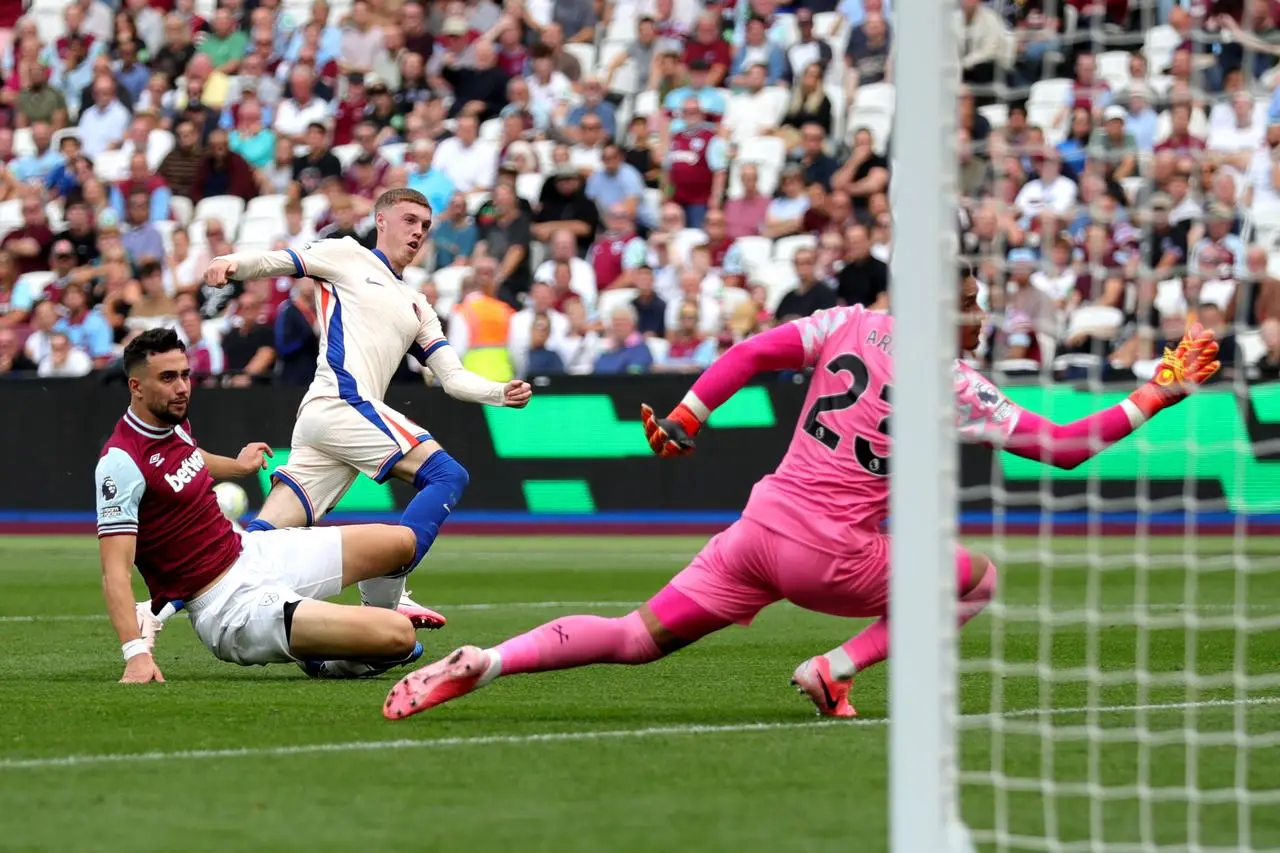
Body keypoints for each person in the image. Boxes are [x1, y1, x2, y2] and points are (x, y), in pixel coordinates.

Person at [382, 269, 1222, 720]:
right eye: (977, 315)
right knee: (978, 579)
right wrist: (1154, 395)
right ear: (960, 318)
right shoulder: (958, 381)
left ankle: (489, 661)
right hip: (832, 557)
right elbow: (1065, 447)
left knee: (636, 634)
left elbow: (748, 354)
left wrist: (686, 412)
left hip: (757, 529)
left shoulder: (847, 323)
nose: (981, 327)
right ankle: (836, 664)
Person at [196, 188, 532, 676]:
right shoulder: (347, 254)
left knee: (262, 539)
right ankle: (386, 606)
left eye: (425, 226)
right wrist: (232, 262)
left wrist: (500, 394)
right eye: (410, 220)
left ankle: (172, 607)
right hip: (342, 402)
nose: (418, 232)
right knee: (447, 475)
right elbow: (280, 261)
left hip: (329, 421)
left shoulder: (417, 304)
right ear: (381, 220)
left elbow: (453, 378)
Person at [98, 328, 457, 683]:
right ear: (136, 387)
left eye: (185, 375)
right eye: (167, 378)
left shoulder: (170, 422)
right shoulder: (121, 462)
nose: (181, 387)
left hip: (253, 553)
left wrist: (238, 466)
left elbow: (191, 456)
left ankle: (354, 638)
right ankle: (330, 660)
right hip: (228, 606)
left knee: (401, 544)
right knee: (399, 637)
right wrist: (136, 655)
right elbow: (114, 571)